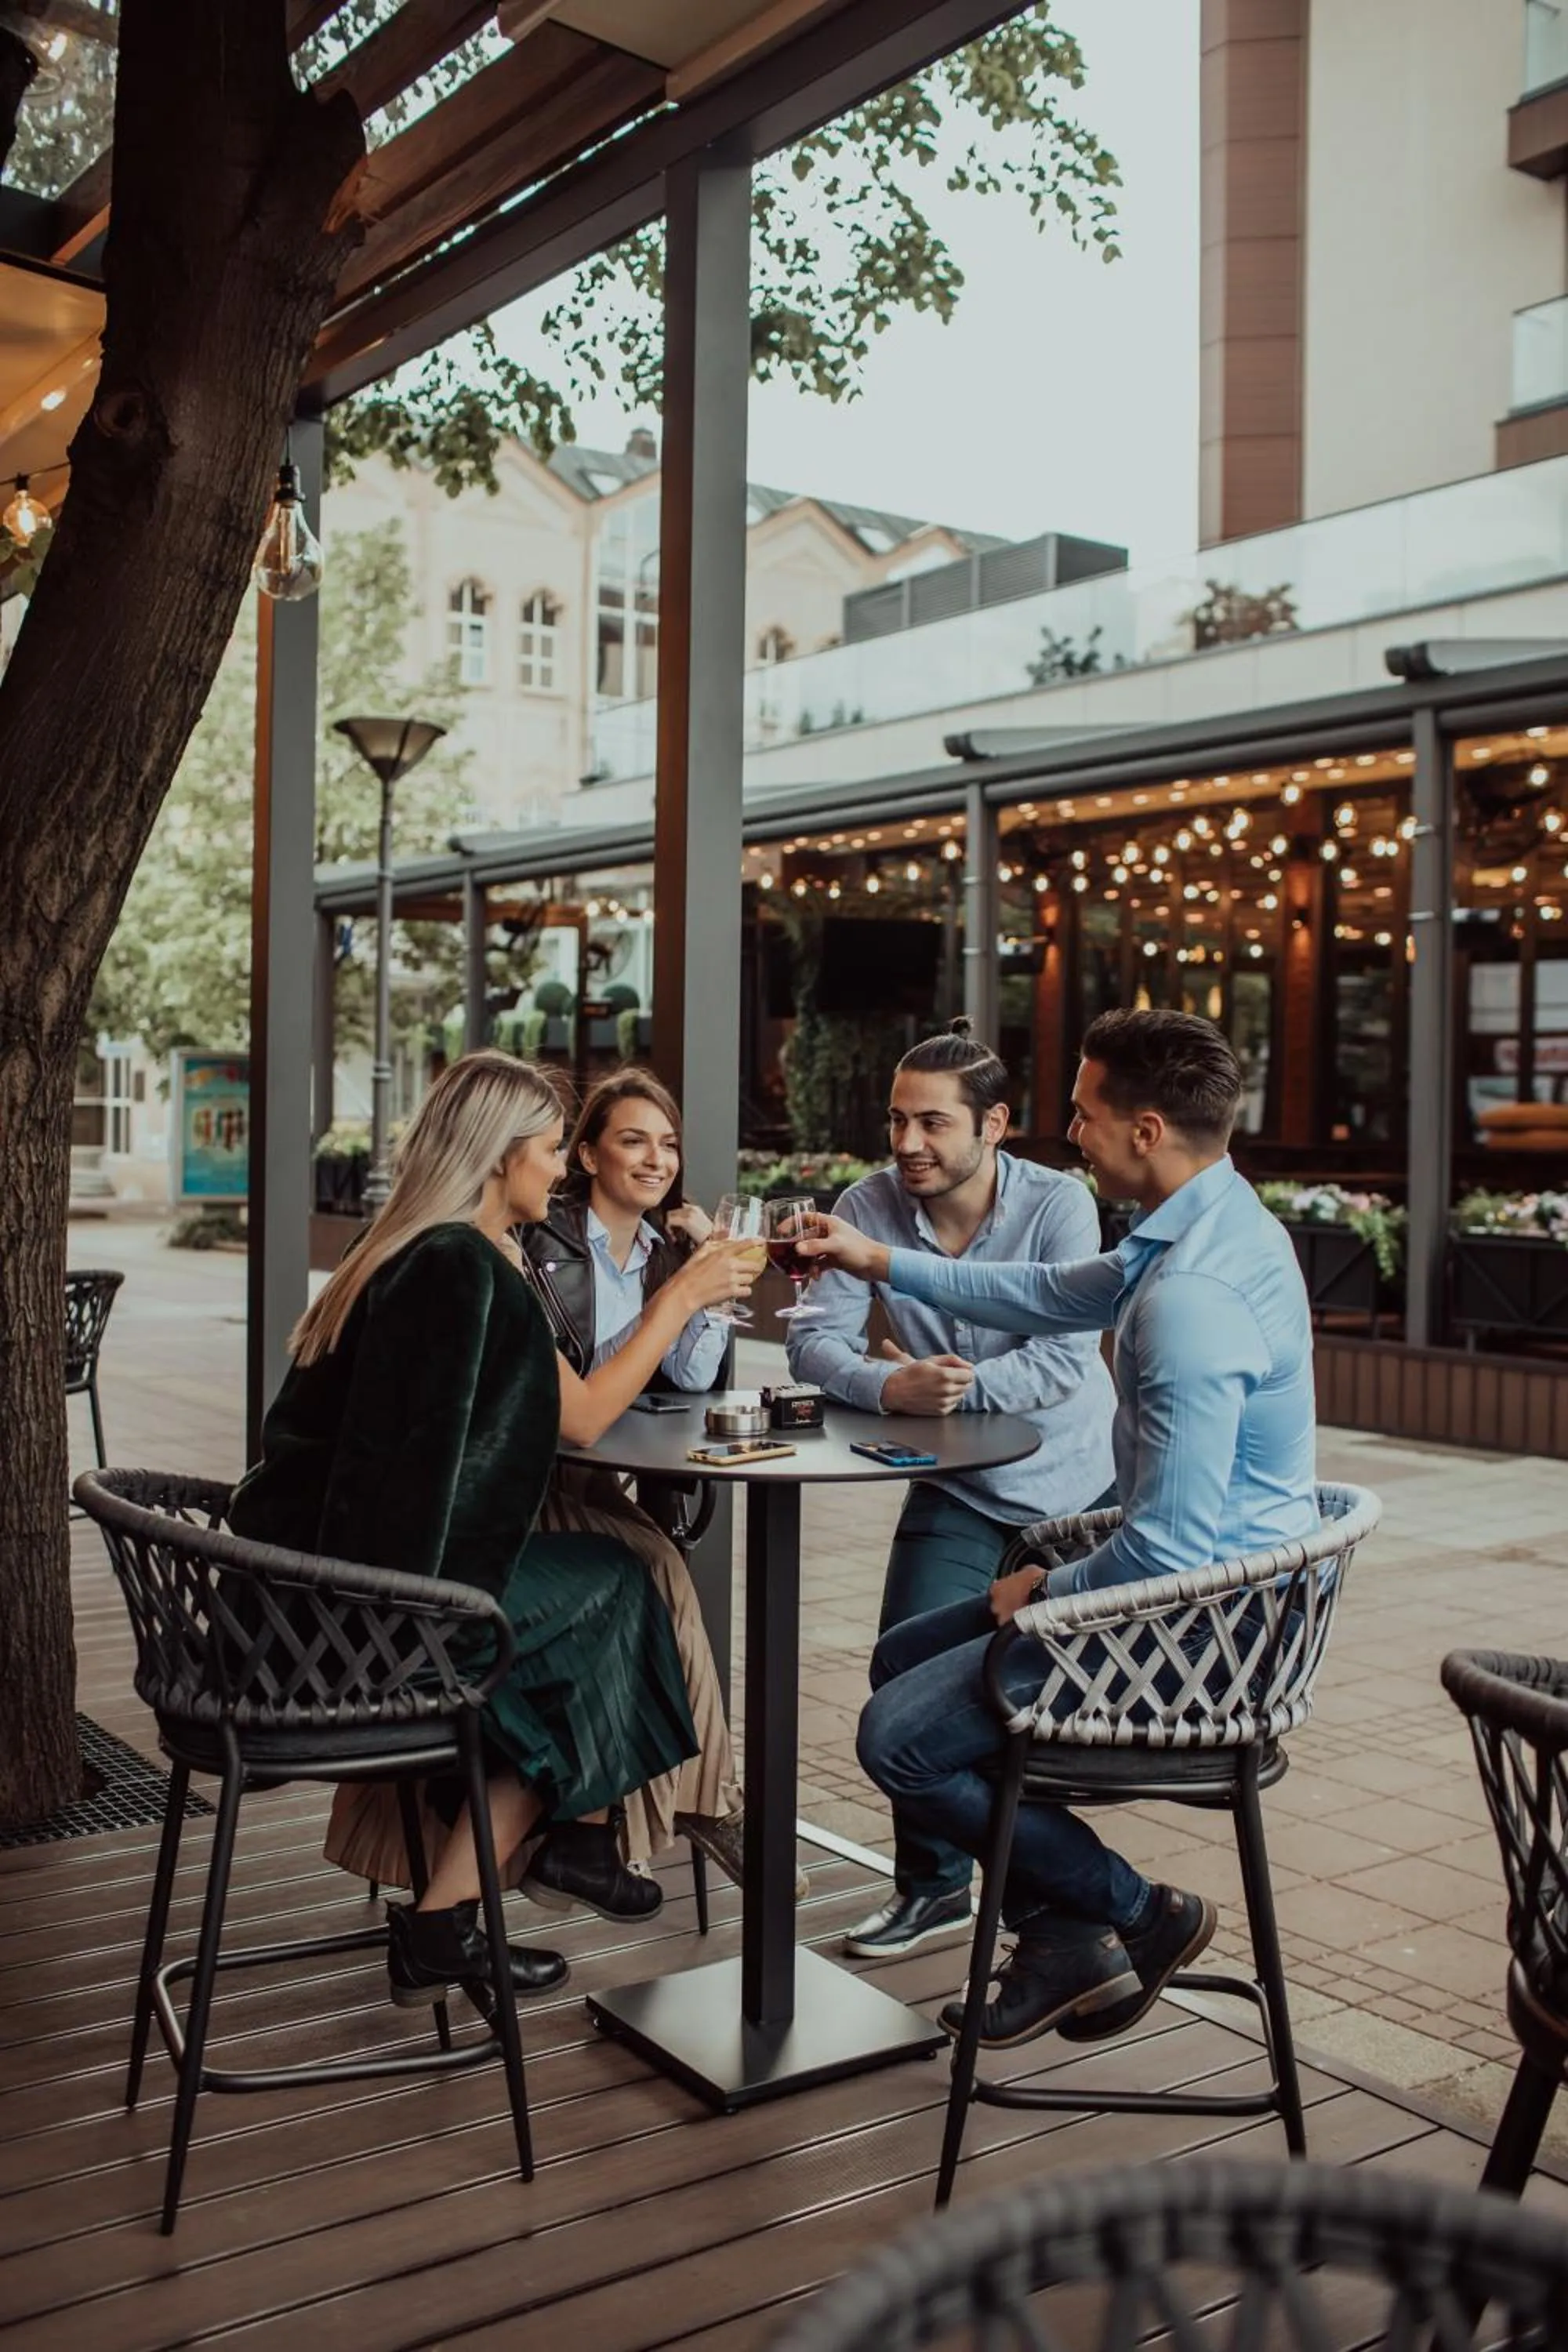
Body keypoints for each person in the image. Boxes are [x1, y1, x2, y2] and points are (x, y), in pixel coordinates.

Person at [800, 1008, 1318, 2048]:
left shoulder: (1191, 1300)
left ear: (1145, 1129)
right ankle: (1067, 1928)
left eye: (1084, 1114)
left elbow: (1168, 1554)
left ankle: (1132, 1911)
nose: (1069, 1133)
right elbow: (1043, 1292)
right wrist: (878, 1262)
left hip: (1208, 1634)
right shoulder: (1204, 1224)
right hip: (1218, 1591)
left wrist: (1040, 1592)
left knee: (897, 1742)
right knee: (906, 1656)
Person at [229, 1051, 754, 2011]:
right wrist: (685, 1292)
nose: (558, 1173)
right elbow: (585, 1419)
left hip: (309, 1588)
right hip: (365, 1613)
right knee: (615, 1589)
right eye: (555, 1149)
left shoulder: (424, 1250)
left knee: (608, 1586)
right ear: (500, 1154)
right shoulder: (460, 1267)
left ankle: (474, 1907)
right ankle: (563, 1851)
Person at [785, 1019, 1116, 1960]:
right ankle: (933, 1891)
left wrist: (949, 1394)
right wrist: (887, 1387)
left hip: (1077, 1494)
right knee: (904, 1668)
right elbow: (812, 1341)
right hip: (958, 1489)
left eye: (930, 1124)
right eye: (896, 1121)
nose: (905, 1145)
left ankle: (1052, 1908)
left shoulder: (1058, 1205)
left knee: (1035, 1699)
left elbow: (1059, 1356)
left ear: (994, 1125)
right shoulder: (868, 1202)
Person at [518, 1067, 755, 1893]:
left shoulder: (663, 1253)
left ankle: (686, 1804)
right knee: (654, 1567)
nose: (655, 1160)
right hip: (538, 1480)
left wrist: (707, 1285)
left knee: (654, 1564)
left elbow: (688, 1381)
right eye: (631, 1139)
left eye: (667, 1144)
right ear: (584, 1154)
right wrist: (677, 1301)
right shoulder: (536, 1245)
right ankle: (706, 1803)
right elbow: (574, 1394)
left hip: (593, 1480)